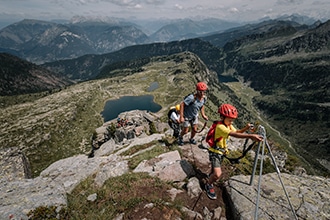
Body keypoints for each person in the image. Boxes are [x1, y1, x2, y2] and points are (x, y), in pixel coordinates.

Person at [205, 103, 263, 200]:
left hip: (221, 152)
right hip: (215, 152)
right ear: (222, 117)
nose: (231, 122)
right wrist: (250, 136)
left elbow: (237, 132)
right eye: (230, 120)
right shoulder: (221, 127)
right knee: (218, 174)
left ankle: (211, 175)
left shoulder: (227, 125)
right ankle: (208, 184)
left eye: (232, 120)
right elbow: (233, 135)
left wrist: (246, 128)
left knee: (215, 169)